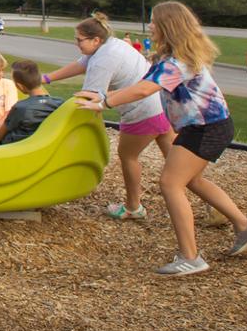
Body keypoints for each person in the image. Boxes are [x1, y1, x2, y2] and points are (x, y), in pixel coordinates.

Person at [77, 1, 247, 277]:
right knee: (192, 180)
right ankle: (244, 227)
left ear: (169, 26)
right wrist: (104, 96)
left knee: (170, 183)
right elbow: (141, 82)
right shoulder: (171, 57)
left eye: (154, 21)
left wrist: (104, 102)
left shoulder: (178, 63)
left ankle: (190, 257)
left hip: (207, 127)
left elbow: (144, 90)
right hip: (204, 126)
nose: (150, 26)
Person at [42, 13, 172, 219]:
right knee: (178, 165)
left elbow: (91, 99)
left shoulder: (102, 59)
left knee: (128, 157)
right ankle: (212, 203)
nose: (76, 44)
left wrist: (50, 118)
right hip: (162, 107)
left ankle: (133, 208)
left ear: (95, 40)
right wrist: (46, 78)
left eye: (79, 40)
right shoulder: (113, 44)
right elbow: (81, 63)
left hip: (141, 112)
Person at [0, 61, 61, 145]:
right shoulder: (59, 103)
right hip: (44, 146)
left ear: (20, 86)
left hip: (16, 149)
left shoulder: (20, 108)